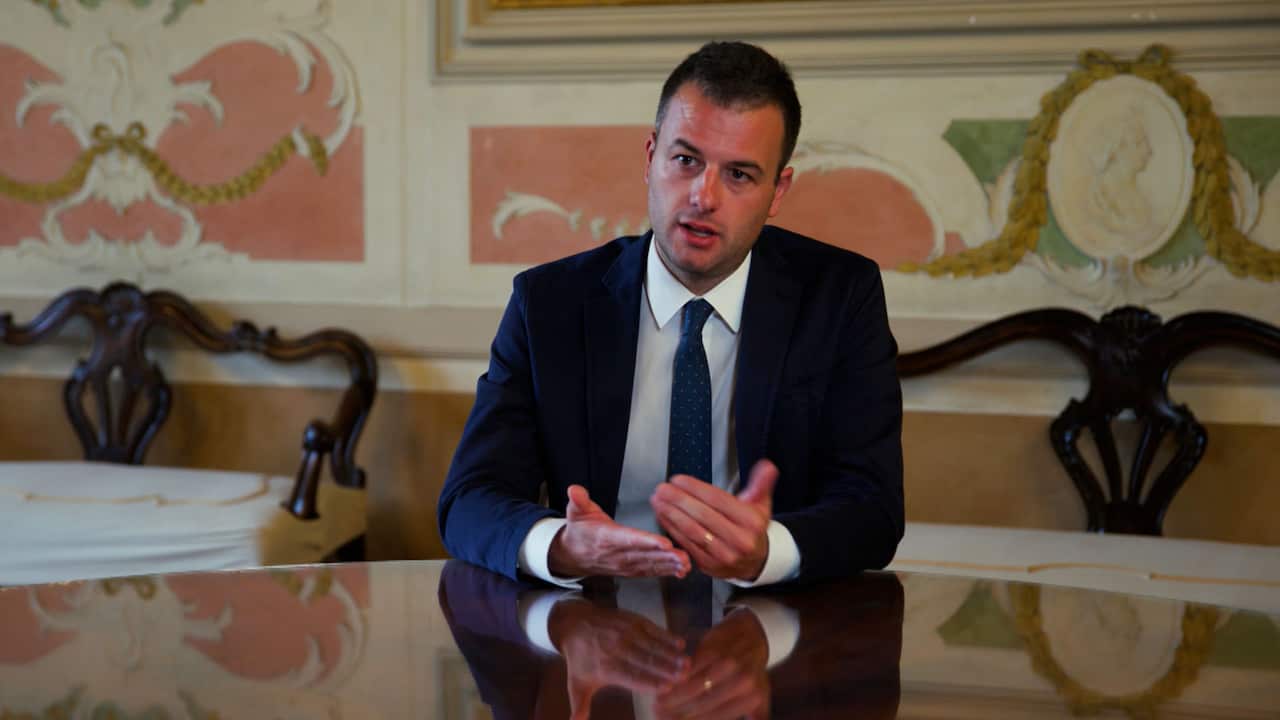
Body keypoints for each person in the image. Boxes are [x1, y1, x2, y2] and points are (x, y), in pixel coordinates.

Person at [438, 40, 903, 587]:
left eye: (739, 175)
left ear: (777, 191)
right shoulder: (550, 304)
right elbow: (469, 500)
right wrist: (563, 545)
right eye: (686, 160)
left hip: (770, 631)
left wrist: (767, 551)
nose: (703, 196)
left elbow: (873, 509)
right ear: (650, 157)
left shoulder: (840, 295)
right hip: (596, 628)